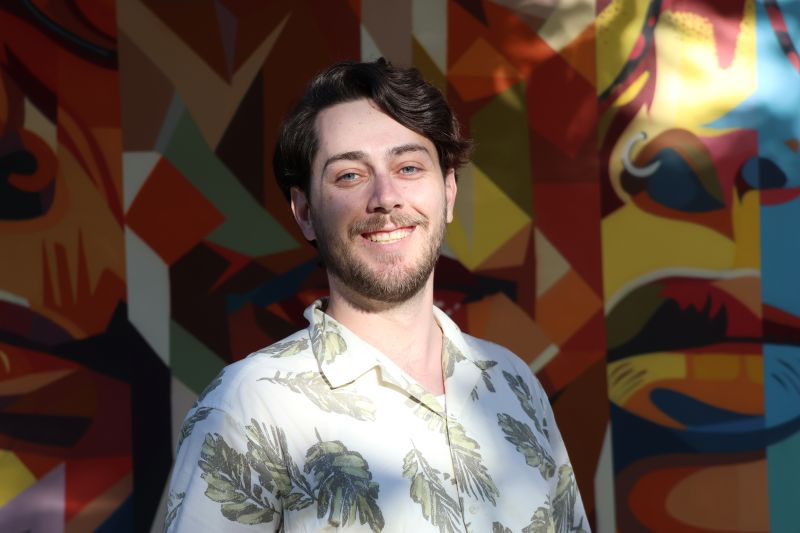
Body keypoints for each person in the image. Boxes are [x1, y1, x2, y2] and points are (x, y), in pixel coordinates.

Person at [164, 58, 589, 532]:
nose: (386, 197)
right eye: (349, 175)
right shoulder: (248, 407)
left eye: (408, 167)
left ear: (448, 191)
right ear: (304, 211)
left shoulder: (515, 385)